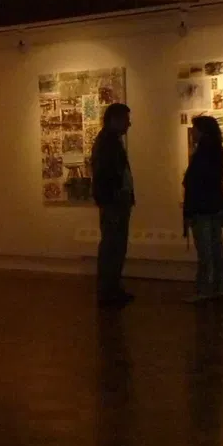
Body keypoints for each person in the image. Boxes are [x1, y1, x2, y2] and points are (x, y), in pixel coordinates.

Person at [90, 103, 135, 306]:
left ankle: (111, 289)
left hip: (115, 200)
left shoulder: (109, 142)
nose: (129, 124)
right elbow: (107, 174)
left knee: (114, 245)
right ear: (115, 120)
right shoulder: (108, 143)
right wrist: (116, 194)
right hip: (114, 201)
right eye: (126, 120)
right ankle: (109, 291)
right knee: (113, 246)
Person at [182, 115, 223, 301]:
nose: (192, 132)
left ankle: (203, 289)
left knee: (204, 250)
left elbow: (193, 183)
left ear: (202, 131)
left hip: (201, 207)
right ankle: (219, 285)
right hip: (216, 205)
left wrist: (188, 211)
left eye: (195, 129)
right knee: (216, 247)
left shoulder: (202, 154)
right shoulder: (218, 151)